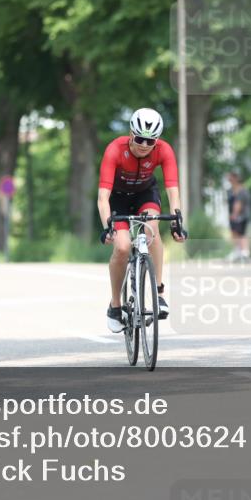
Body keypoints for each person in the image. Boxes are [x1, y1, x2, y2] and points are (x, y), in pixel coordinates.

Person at [97, 108, 187, 332]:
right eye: (139, 139)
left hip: (145, 194)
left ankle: (158, 293)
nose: (145, 145)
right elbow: (102, 198)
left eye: (150, 141)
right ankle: (116, 305)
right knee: (122, 247)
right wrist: (107, 226)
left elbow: (173, 190)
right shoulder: (114, 150)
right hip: (117, 198)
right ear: (130, 134)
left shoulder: (164, 150)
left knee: (151, 229)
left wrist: (177, 220)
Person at [226, 171, 251, 260]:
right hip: (236, 215)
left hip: (241, 215)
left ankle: (244, 251)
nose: (229, 179)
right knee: (235, 232)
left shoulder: (241, 190)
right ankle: (239, 250)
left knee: (240, 233)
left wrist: (234, 214)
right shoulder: (232, 190)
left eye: (231, 177)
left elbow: (239, 203)